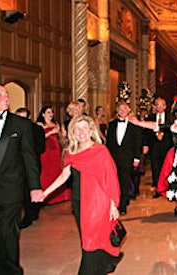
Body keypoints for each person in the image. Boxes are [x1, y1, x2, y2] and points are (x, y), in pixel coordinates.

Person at [43, 115, 123, 274]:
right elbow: (63, 177)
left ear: (91, 130)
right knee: (90, 237)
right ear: (72, 131)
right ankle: (105, 263)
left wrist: (113, 205)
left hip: (98, 202)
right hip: (79, 201)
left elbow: (111, 178)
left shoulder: (100, 151)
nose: (81, 132)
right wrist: (44, 192)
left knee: (89, 240)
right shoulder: (71, 152)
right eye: (77, 128)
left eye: (85, 128)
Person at [0, 85, 44, 274]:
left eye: (6, 94)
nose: (6, 98)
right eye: (0, 95)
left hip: (10, 187)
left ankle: (12, 271)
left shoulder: (20, 124)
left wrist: (35, 187)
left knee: (8, 231)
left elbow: (29, 157)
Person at [106, 102, 142, 215]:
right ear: (117, 111)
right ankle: (113, 203)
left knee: (124, 181)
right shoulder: (111, 125)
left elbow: (137, 142)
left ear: (128, 111)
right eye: (120, 109)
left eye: (124, 109)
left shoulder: (134, 125)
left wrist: (137, 158)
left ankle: (123, 205)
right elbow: (109, 143)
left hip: (127, 158)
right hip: (113, 158)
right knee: (113, 181)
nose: (122, 111)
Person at [15, 107, 45, 229]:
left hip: (32, 164)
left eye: (23, 117)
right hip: (17, 166)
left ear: (28, 118)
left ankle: (31, 213)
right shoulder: (12, 127)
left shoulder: (37, 129)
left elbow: (41, 147)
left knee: (31, 188)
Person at [37, 106, 71, 204]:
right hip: (46, 150)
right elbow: (39, 138)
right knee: (46, 171)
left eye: (51, 112)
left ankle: (58, 197)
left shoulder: (56, 123)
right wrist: (51, 131)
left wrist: (59, 132)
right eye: (48, 112)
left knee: (57, 171)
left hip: (56, 149)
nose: (51, 114)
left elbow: (60, 137)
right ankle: (45, 195)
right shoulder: (40, 124)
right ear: (43, 114)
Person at [145, 97, 173, 198]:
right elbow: (146, 133)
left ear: (165, 106)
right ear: (155, 107)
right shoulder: (150, 118)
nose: (160, 107)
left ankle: (167, 187)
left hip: (167, 146)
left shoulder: (171, 118)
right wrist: (146, 145)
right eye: (158, 105)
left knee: (167, 167)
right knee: (155, 167)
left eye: (162, 105)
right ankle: (158, 188)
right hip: (154, 145)